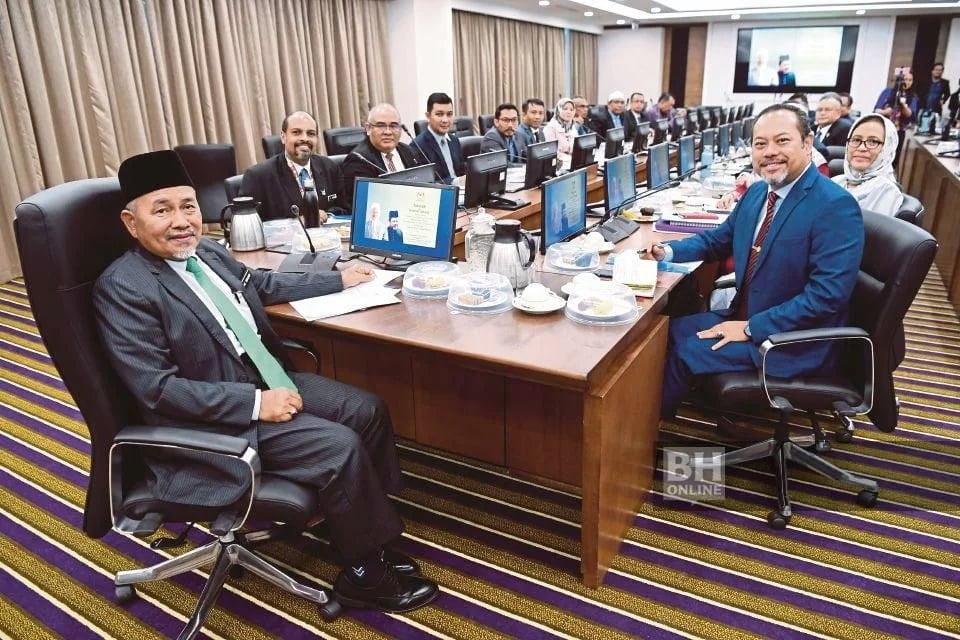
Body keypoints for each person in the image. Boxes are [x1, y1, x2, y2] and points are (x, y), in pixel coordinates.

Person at [94, 150, 439, 612]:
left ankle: (361, 530)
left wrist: (338, 280)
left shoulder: (206, 252)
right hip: (211, 421)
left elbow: (258, 285)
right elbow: (158, 390)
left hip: (260, 375)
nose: (181, 221)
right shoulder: (124, 287)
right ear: (131, 223)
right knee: (338, 447)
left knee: (367, 410)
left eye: (188, 206)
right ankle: (364, 575)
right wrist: (256, 404)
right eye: (162, 210)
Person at [651, 104, 863, 417]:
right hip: (746, 315)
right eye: (760, 144)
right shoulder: (758, 193)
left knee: (685, 351)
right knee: (661, 334)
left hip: (791, 340)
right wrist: (666, 252)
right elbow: (718, 240)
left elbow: (826, 297)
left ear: (807, 143)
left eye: (782, 141)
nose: (769, 152)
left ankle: (646, 434)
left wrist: (751, 328)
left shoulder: (835, 206)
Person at [240, 111, 346, 222]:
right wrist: (296, 223)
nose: (305, 138)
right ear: (283, 137)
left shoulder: (330, 167)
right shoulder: (258, 176)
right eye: (296, 132)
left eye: (311, 133)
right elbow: (249, 224)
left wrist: (327, 215)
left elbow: (344, 209)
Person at [341, 103, 422, 210]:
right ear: (368, 129)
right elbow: (364, 204)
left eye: (393, 126)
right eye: (380, 125)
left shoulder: (409, 151)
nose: (388, 132)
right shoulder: (358, 160)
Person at [832, 114, 905, 216]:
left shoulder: (886, 190)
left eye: (873, 141)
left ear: (887, 148)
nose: (861, 148)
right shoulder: (836, 181)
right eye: (856, 140)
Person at [413, 92, 464, 185]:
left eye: (449, 114)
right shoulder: (417, 146)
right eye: (439, 114)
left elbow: (461, 171)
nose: (445, 120)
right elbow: (426, 184)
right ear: (428, 116)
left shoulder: (454, 140)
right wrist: (456, 181)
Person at [542, 97, 578, 164]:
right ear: (558, 110)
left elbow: (576, 147)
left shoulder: (572, 126)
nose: (569, 112)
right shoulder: (550, 127)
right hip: (557, 163)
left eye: (571, 109)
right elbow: (551, 151)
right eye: (565, 109)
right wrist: (569, 158)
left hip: (572, 161)